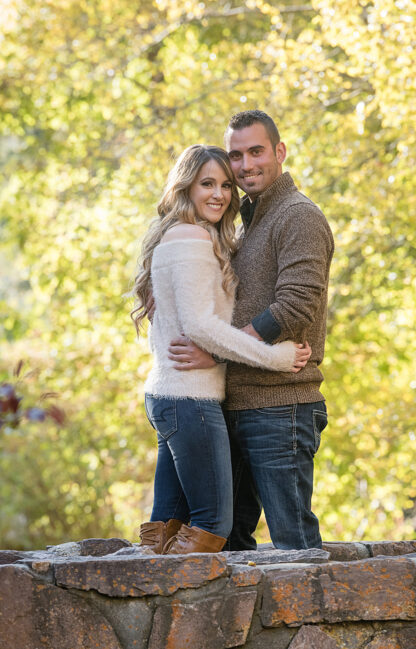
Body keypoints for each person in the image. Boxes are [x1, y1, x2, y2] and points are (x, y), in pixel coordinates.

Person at [130, 144, 311, 555]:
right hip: (189, 400)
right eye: (206, 183)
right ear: (185, 188)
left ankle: (151, 599)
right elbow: (200, 326)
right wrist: (277, 357)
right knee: (213, 523)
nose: (219, 194)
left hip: (172, 395)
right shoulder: (192, 237)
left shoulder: (183, 236)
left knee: (165, 526)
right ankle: (189, 615)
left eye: (226, 185)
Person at [168, 110, 334, 551]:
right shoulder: (246, 222)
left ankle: (313, 621)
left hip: (281, 406)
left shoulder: (298, 216)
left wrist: (218, 353)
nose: (244, 166)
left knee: (294, 542)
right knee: (227, 543)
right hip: (234, 403)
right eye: (236, 156)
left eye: (256, 152)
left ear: (279, 152)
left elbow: (295, 307)